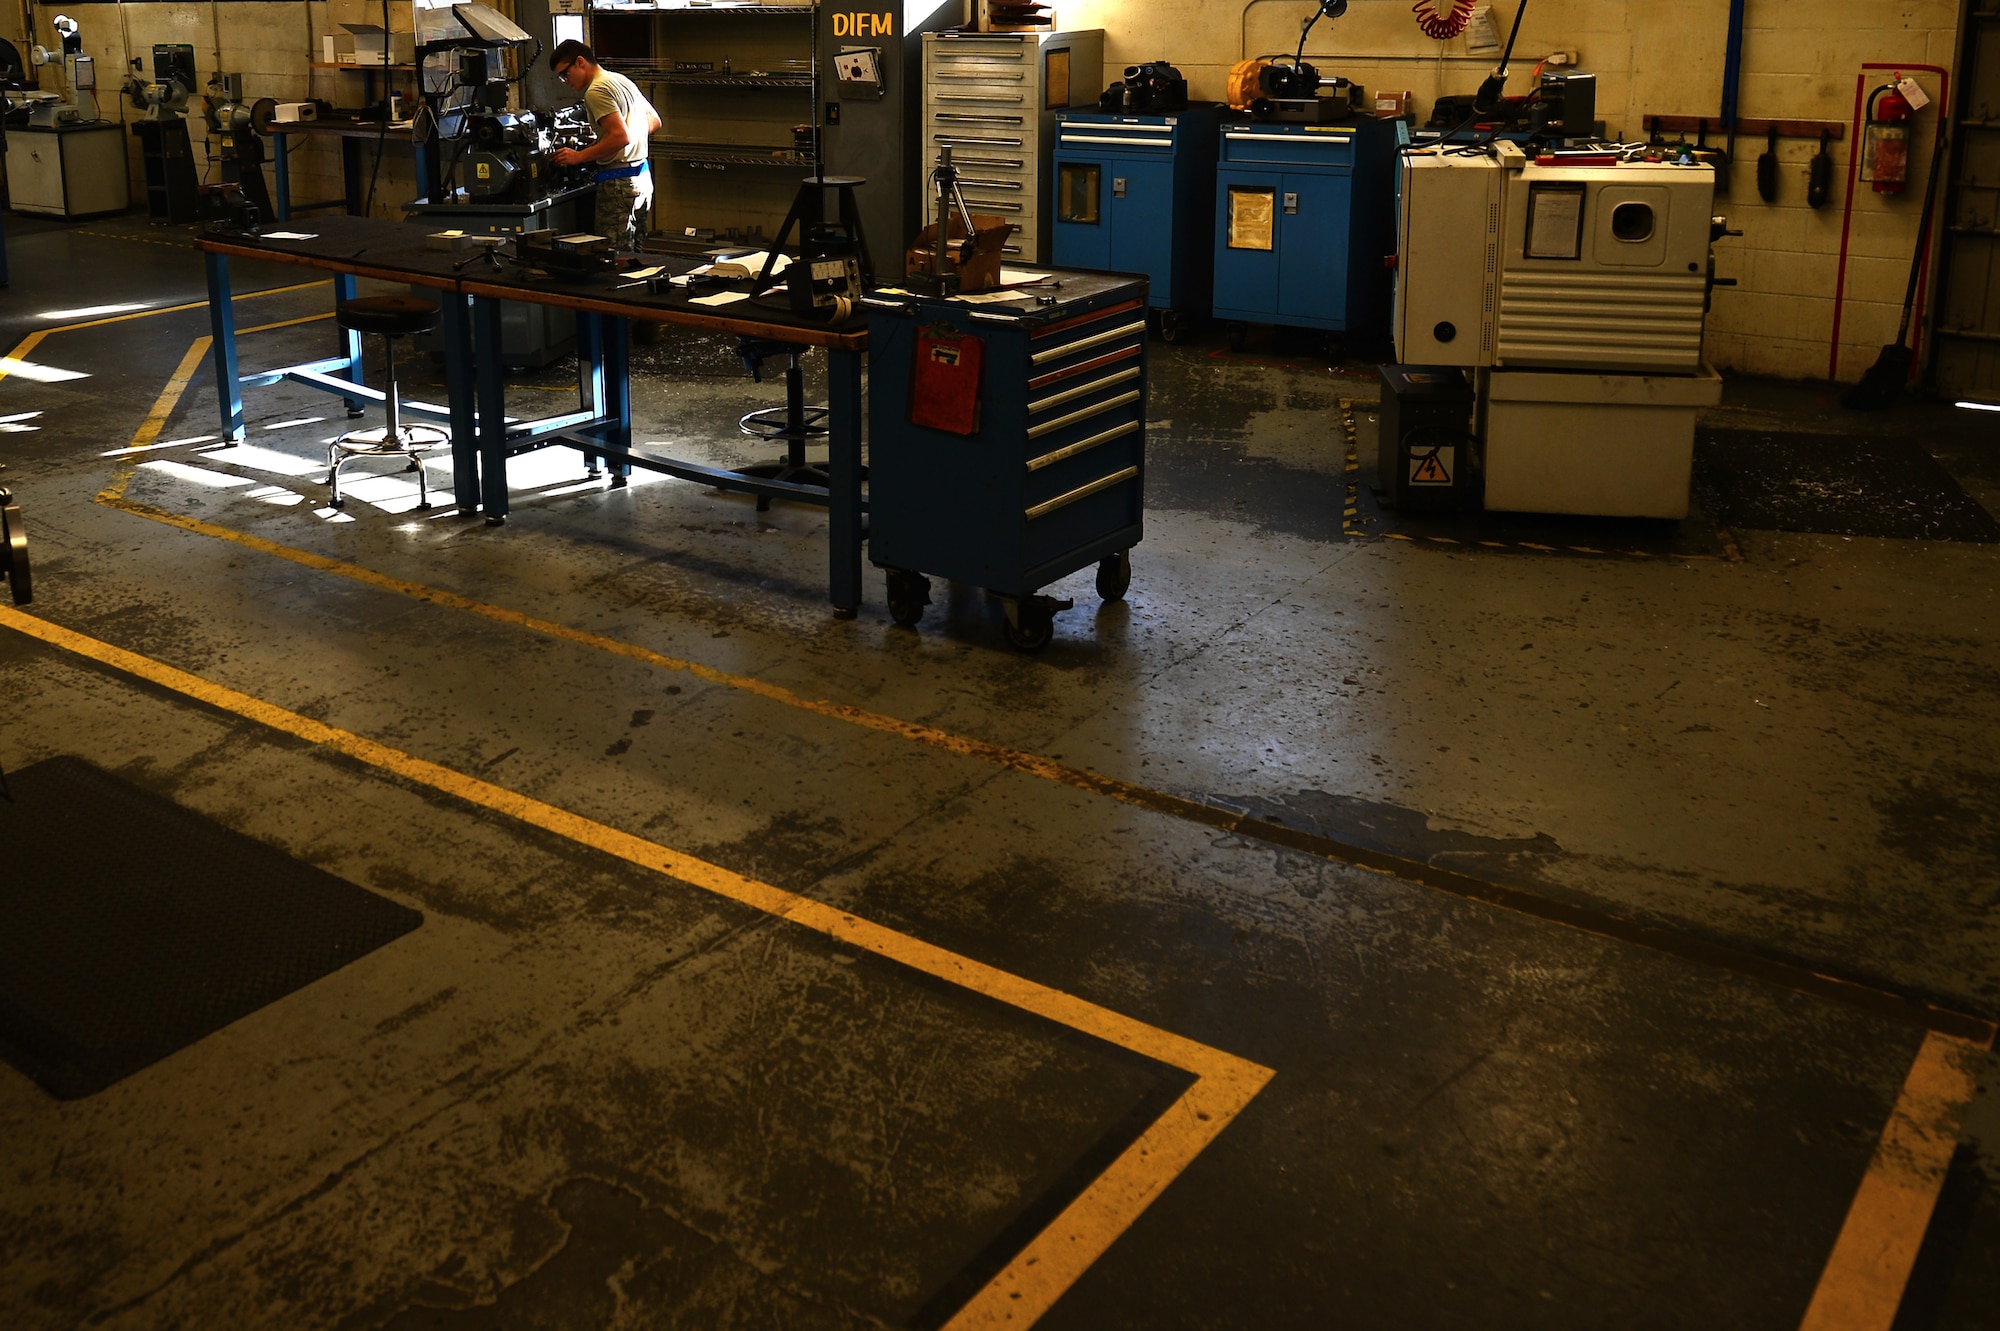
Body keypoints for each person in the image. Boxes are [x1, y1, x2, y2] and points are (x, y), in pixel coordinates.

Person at [548, 40, 662, 251]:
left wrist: (579, 156)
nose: (565, 81)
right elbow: (654, 121)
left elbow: (621, 137)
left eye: (565, 74)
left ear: (580, 62)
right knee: (637, 258)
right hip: (642, 180)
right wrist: (608, 141)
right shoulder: (620, 80)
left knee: (615, 258)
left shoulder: (595, 91)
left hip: (618, 185)